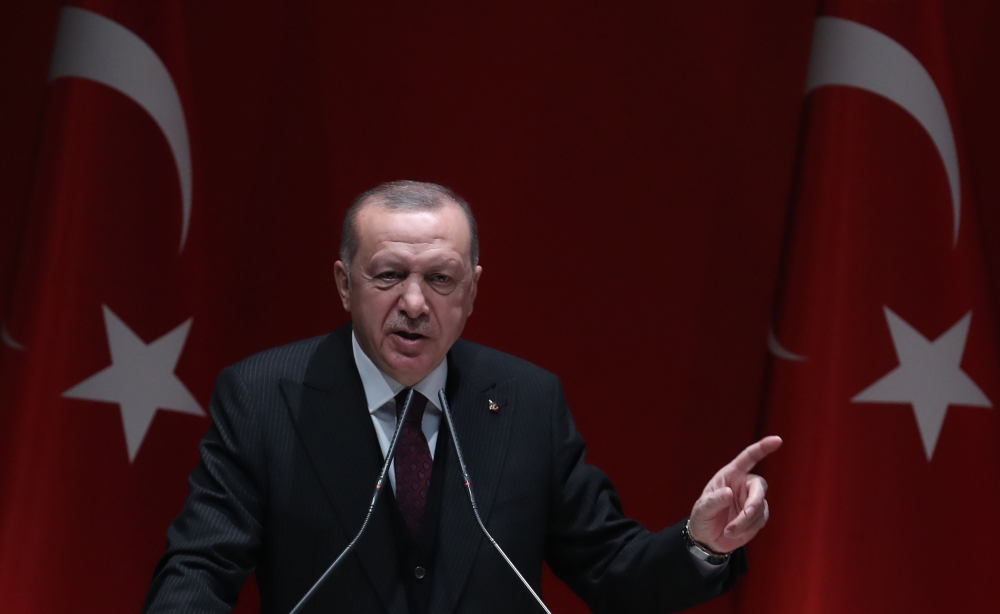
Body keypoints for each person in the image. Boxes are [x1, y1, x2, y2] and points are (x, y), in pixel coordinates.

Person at [143, 180, 781, 614]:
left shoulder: (528, 401)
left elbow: (612, 569)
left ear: (471, 291)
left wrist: (702, 543)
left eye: (440, 279)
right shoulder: (263, 396)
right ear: (344, 284)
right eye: (389, 275)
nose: (415, 304)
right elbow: (199, 569)